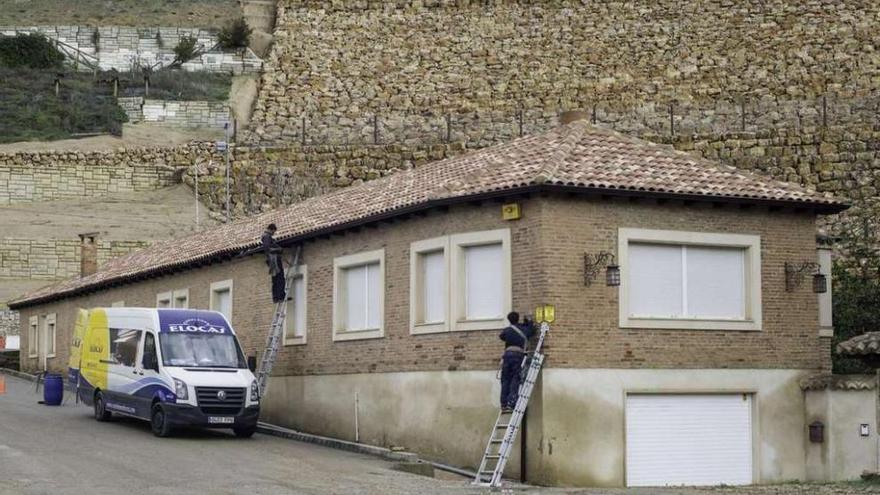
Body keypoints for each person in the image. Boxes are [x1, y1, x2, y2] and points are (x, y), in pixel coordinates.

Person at [498, 311, 536, 412]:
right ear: (518, 318)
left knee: (505, 379)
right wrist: (528, 322)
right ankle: (512, 403)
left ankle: (504, 404)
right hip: (518, 356)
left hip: (507, 356)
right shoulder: (523, 329)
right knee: (515, 378)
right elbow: (532, 331)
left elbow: (501, 336)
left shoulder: (507, 330)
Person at [261, 223, 286, 303]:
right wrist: (278, 250)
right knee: (280, 278)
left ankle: (276, 298)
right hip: (274, 260)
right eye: (273, 232)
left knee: (275, 278)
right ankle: (280, 296)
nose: (273, 233)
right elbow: (267, 248)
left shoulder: (266, 237)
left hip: (271, 260)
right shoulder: (267, 236)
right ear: (271, 229)